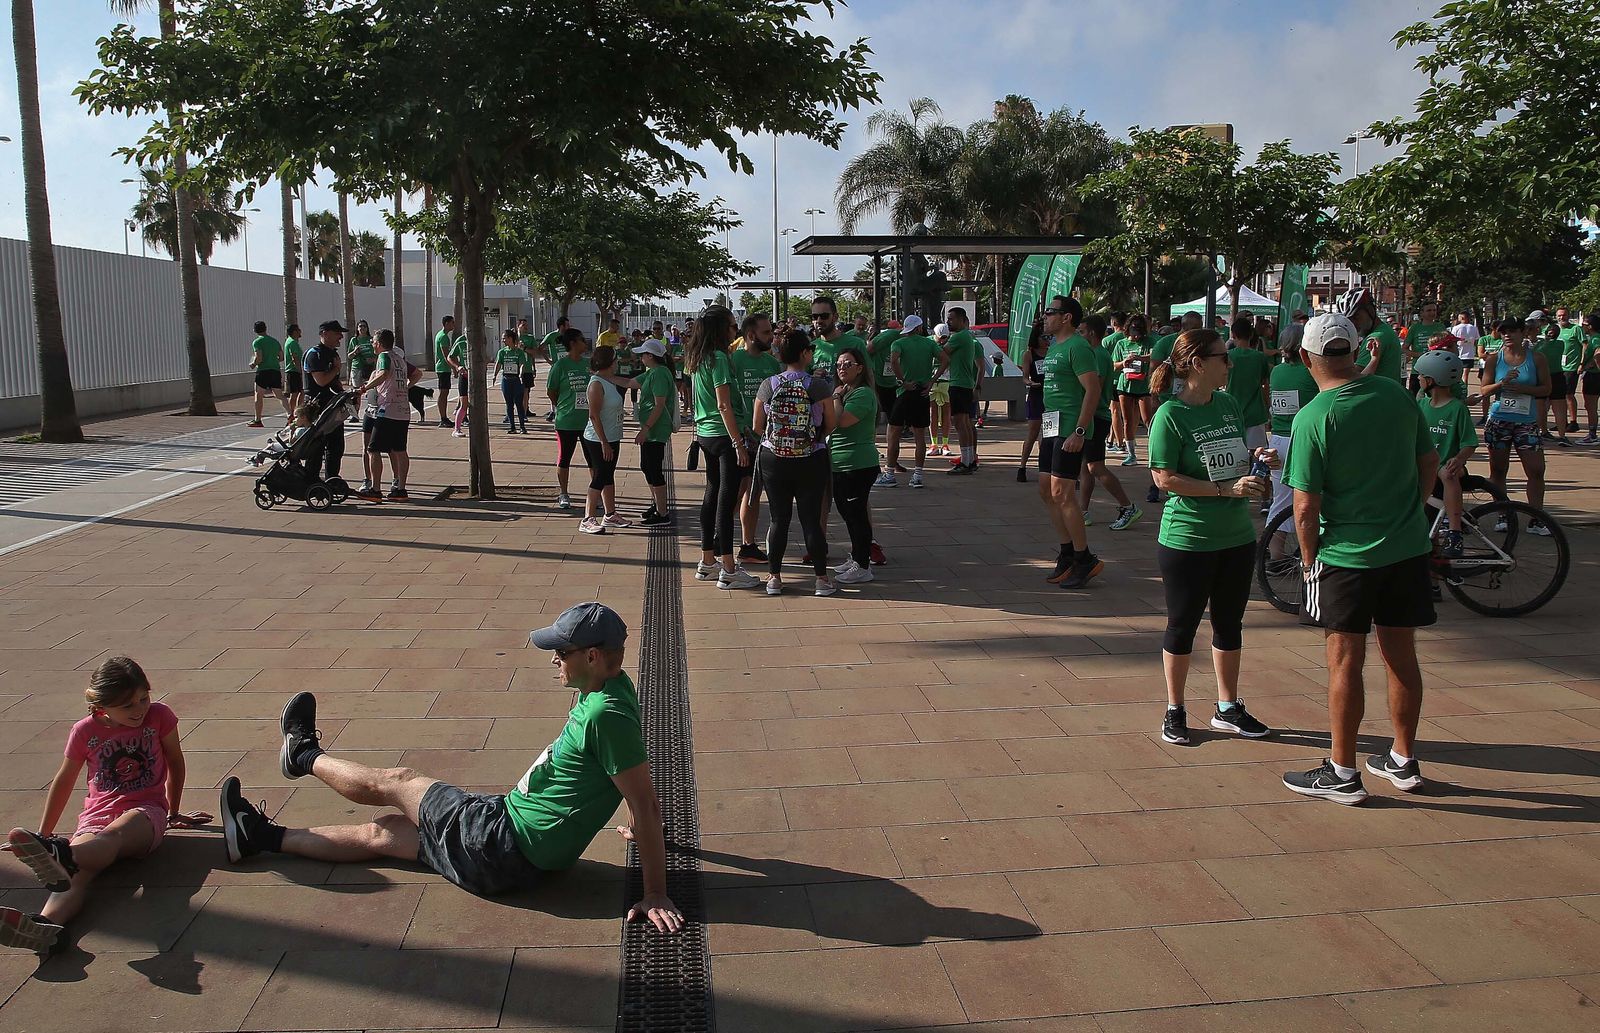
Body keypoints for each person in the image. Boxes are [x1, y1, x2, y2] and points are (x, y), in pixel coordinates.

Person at [218, 605, 683, 934]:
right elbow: (627, 782)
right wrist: (633, 823)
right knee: (384, 834)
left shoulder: (606, 714)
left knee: (398, 782)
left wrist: (656, 892)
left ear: (593, 657)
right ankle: (258, 837)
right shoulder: (611, 690)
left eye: (562, 651)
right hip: (514, 861)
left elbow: (643, 798)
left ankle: (301, 755)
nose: (554, 658)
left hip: (499, 839)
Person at [1282, 313, 1438, 805]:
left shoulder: (1315, 416)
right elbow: (1428, 460)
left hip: (1346, 557)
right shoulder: (1396, 393)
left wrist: (1308, 563)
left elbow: (1304, 508)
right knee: (1401, 656)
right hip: (1406, 547)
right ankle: (1403, 758)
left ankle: (1343, 771)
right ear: (1354, 351)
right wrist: (1412, 508)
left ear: (1306, 357)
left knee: (1344, 661)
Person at [0, 657, 210, 958]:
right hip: (97, 815)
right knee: (74, 876)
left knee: (112, 837)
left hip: (145, 810)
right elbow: (64, 780)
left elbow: (176, 761)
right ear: (101, 706)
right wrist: (42, 834)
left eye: (143, 699)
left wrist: (172, 813)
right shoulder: (85, 731)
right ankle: (46, 927)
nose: (139, 709)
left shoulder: (160, 716)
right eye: (128, 706)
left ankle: (60, 853)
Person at [1146, 330, 1277, 747]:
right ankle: (1175, 708)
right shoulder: (1170, 415)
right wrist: (1224, 490)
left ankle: (1227, 706)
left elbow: (1234, 459)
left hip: (1236, 535)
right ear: (1199, 364)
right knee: (1182, 625)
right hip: (1188, 538)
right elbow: (1164, 478)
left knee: (1229, 623)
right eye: (1224, 357)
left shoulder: (1228, 404)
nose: (1231, 363)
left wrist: (1257, 460)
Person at [751, 329, 836, 596]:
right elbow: (830, 423)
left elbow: (756, 426)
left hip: (773, 458)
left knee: (779, 519)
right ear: (804, 353)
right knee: (811, 520)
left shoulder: (769, 384)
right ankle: (821, 580)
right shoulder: (818, 385)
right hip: (811, 457)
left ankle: (774, 578)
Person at [688, 305, 758, 589]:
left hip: (706, 433)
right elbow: (724, 404)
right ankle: (729, 568)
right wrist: (738, 442)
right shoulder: (718, 358)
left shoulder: (697, 357)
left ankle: (707, 561)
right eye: (732, 326)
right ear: (720, 329)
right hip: (723, 435)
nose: (736, 330)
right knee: (725, 501)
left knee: (712, 493)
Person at [1038, 295, 1104, 589]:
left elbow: (1092, 390)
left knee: (1062, 493)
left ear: (1067, 317)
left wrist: (1080, 431)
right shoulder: (1055, 346)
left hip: (1069, 428)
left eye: (1050, 312)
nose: (1045, 316)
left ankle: (1083, 558)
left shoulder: (1078, 347)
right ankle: (1066, 553)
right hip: (1051, 426)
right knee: (1046, 492)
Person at [1479, 315, 1553, 534]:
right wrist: (1502, 383)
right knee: (1499, 470)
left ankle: (1536, 518)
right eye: (1503, 332)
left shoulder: (1537, 358)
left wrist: (1524, 389)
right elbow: (1484, 390)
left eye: (1512, 331)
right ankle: (1503, 515)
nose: (1507, 335)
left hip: (1527, 422)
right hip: (1500, 420)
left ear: (1523, 333)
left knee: (1536, 470)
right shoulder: (1494, 359)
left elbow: (1547, 389)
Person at [1076, 315, 1143, 532]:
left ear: (1092, 334)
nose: (1080, 336)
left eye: (1082, 332)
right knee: (1086, 467)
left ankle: (1127, 506)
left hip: (1096, 417)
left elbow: (1094, 388)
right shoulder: (1095, 353)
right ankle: (1083, 510)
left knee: (1095, 466)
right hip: (1093, 416)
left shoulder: (1097, 355)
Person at [1415, 350, 1477, 559]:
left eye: (1421, 375)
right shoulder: (1421, 405)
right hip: (1424, 466)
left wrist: (1459, 459)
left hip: (1446, 466)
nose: (1418, 378)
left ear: (1431, 380)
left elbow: (1469, 443)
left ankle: (1455, 530)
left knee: (1447, 475)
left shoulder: (1457, 408)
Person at [1264, 324, 1318, 563]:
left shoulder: (1277, 372)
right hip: (1304, 440)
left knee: (1281, 499)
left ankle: (1275, 554)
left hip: (1278, 439)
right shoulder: (1311, 372)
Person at [829, 345, 881, 587]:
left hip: (857, 463)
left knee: (857, 515)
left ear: (860, 368)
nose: (842, 368)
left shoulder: (862, 394)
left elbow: (842, 420)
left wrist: (837, 397)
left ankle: (863, 564)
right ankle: (857, 556)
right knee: (848, 515)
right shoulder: (845, 391)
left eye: (847, 364)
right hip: (839, 463)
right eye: (839, 364)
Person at [731, 314, 779, 564]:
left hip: (764, 440)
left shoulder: (772, 364)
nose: (771, 336)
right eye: (766, 333)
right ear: (750, 336)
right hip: (738, 438)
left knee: (752, 492)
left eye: (770, 332)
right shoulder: (733, 361)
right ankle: (722, 541)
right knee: (733, 491)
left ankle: (748, 544)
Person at [356, 330, 423, 502]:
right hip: (403, 410)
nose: (372, 345)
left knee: (373, 449)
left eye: (373, 342)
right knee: (399, 449)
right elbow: (416, 374)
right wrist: (406, 387)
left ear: (379, 343)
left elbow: (383, 374)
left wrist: (365, 387)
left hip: (387, 409)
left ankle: (375, 489)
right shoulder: (400, 359)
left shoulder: (384, 356)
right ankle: (400, 489)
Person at [578, 345, 629, 534]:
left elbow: (630, 382)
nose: (617, 363)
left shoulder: (609, 380)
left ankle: (610, 514)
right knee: (599, 477)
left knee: (608, 475)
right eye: (615, 360)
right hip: (598, 439)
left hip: (613, 435)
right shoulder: (596, 384)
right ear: (609, 362)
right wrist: (604, 443)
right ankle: (587, 518)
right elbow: (594, 416)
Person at [883, 315, 935, 488]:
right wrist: (932, 381)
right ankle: (918, 475)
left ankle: (889, 473)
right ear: (919, 328)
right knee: (920, 436)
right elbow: (945, 359)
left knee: (894, 433)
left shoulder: (898, 343)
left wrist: (902, 380)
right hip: (922, 392)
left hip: (905, 391)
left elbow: (893, 360)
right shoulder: (929, 343)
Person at [546, 328, 591, 510]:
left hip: (588, 421)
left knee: (593, 460)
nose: (585, 342)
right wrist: (562, 406)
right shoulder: (560, 366)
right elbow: (551, 391)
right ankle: (563, 493)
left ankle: (595, 493)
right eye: (582, 339)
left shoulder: (588, 364)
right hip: (566, 421)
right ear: (573, 343)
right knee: (564, 458)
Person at [632, 337, 676, 525]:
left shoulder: (659, 374)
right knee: (646, 466)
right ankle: (658, 504)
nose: (640, 357)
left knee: (653, 469)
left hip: (656, 429)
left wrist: (646, 429)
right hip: (651, 429)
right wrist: (602, 375)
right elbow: (630, 383)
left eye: (643, 354)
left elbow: (659, 405)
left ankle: (663, 513)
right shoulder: (652, 372)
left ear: (650, 356)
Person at [301, 320, 349, 482]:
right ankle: (310, 480)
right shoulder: (314, 354)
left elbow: (334, 382)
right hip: (315, 407)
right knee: (316, 447)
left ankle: (332, 479)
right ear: (325, 334)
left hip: (332, 406)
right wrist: (336, 369)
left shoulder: (333, 354)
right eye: (337, 333)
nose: (340, 337)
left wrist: (345, 396)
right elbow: (321, 380)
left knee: (336, 446)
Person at [937, 308, 982, 474]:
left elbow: (942, 353)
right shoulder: (966, 337)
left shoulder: (959, 337)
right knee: (965, 424)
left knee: (960, 424)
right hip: (965, 384)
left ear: (963, 320)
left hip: (958, 384)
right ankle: (969, 460)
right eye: (948, 319)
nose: (949, 322)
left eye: (952, 319)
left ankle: (965, 462)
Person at [1111, 314, 1156, 467]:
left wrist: (1140, 358)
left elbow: (1155, 355)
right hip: (1125, 385)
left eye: (1138, 330)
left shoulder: (1148, 341)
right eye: (1133, 329)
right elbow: (1113, 365)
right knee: (1127, 420)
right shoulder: (1121, 344)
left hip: (1143, 385)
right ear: (1127, 328)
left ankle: (1154, 451)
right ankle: (1131, 454)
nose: (1135, 333)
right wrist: (1124, 363)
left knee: (1148, 419)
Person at [1223, 314, 1271, 450]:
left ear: (1233, 335)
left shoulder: (1227, 356)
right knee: (1258, 457)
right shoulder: (1260, 357)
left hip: (1231, 411)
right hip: (1255, 412)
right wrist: (1267, 406)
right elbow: (1265, 384)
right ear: (1251, 335)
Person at [1342, 288, 1404, 384]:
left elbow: (1354, 378)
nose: (1353, 323)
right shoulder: (1386, 330)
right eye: (1349, 319)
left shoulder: (1376, 338)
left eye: (1356, 316)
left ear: (1370, 311)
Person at [1018, 317, 1049, 481]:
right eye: (1043, 337)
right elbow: (1024, 377)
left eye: (1049, 337)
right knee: (1033, 433)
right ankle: (1022, 466)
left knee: (1048, 435)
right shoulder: (1029, 354)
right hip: (1036, 395)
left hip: (1051, 396)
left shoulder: (1053, 352)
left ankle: (1044, 466)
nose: (1046, 341)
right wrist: (1030, 382)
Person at [248, 321, 287, 429]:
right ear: (266, 328)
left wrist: (253, 364)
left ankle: (258, 419)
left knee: (258, 395)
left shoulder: (257, 342)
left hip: (263, 371)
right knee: (279, 395)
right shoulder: (274, 341)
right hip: (275, 370)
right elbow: (281, 357)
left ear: (255, 330)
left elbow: (258, 357)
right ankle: (290, 415)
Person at [1405, 301, 1449, 394]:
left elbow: (1449, 346)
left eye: (1434, 310)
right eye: (1429, 310)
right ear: (1422, 313)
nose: (1432, 313)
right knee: (1414, 400)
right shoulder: (1415, 328)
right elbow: (1404, 349)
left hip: (1437, 370)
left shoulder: (1440, 327)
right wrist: (1419, 354)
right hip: (1418, 371)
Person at [1555, 306, 1585, 436]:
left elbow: (1585, 345)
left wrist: (1582, 363)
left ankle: (1574, 421)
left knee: (1568, 394)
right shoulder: (1556, 330)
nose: (1562, 317)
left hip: (1571, 367)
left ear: (1568, 315)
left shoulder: (1576, 329)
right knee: (1558, 396)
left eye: (1564, 315)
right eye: (1559, 315)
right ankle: (1562, 422)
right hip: (1558, 367)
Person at [491, 329, 529, 434]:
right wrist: (494, 375)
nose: (503, 340)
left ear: (510, 338)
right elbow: (498, 364)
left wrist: (521, 373)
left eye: (505, 338)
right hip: (506, 380)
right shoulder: (502, 352)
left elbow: (522, 364)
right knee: (509, 404)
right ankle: (512, 426)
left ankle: (522, 426)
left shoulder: (519, 352)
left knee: (519, 404)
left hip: (516, 380)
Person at [929, 322, 953, 457]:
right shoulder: (928, 343)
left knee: (946, 413)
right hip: (932, 382)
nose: (943, 340)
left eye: (945, 338)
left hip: (946, 382)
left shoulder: (950, 344)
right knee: (932, 413)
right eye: (940, 337)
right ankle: (934, 444)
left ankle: (945, 444)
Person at [538, 317, 568, 421]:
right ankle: (553, 410)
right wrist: (548, 360)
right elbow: (541, 347)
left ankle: (563, 409)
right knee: (553, 388)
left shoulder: (569, 335)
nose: (568, 327)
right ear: (561, 326)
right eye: (567, 325)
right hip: (556, 366)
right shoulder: (552, 336)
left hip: (568, 366)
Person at [347, 320, 377, 418]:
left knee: (370, 390)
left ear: (367, 328)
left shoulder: (371, 339)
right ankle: (355, 414)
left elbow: (378, 352)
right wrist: (355, 352)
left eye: (364, 326)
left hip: (369, 368)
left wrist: (373, 359)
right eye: (360, 326)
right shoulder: (354, 340)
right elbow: (349, 356)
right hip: (357, 368)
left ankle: (371, 411)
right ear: (357, 328)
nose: (362, 328)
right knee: (356, 391)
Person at [433, 315, 458, 426]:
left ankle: (444, 418)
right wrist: (454, 368)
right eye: (452, 322)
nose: (454, 324)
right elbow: (446, 355)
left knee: (445, 392)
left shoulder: (441, 335)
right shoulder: (443, 337)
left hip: (443, 368)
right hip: (443, 369)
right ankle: (443, 418)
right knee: (443, 393)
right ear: (447, 323)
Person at [517, 316, 542, 422]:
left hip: (527, 368)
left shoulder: (530, 338)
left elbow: (534, 353)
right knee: (518, 391)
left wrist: (534, 368)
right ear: (518, 326)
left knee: (526, 391)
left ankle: (525, 410)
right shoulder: (514, 338)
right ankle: (518, 410)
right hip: (516, 369)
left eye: (527, 325)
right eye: (523, 325)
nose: (526, 327)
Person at [1580, 313, 1600, 444]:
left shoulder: (1596, 338)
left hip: (1594, 375)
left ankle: (1592, 435)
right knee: (1590, 405)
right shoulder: (1592, 338)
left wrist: (1590, 365)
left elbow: (1598, 353)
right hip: (1592, 375)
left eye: (1584, 324)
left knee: (1591, 406)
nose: (1582, 327)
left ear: (1590, 326)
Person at [283, 324, 304, 422]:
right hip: (293, 371)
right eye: (299, 330)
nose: (300, 331)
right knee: (294, 393)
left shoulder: (292, 342)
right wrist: (300, 370)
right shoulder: (292, 342)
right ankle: (292, 413)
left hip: (294, 370)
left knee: (300, 392)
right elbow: (294, 357)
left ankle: (297, 411)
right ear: (295, 331)